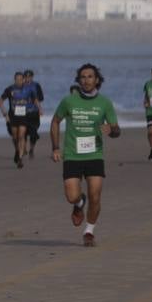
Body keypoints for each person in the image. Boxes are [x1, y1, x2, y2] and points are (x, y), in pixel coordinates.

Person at [50, 63, 121, 246]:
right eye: (83, 77)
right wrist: (55, 148)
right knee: (72, 196)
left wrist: (111, 130)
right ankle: (79, 203)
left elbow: (116, 130)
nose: (86, 80)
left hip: (94, 155)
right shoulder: (69, 101)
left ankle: (89, 231)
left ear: (97, 80)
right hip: (72, 155)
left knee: (95, 195)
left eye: (90, 76)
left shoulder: (105, 103)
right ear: (78, 80)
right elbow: (55, 121)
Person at [0, 71, 37, 168]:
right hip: (13, 117)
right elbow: (0, 101)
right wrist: (4, 112)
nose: (19, 81)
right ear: (14, 79)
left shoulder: (29, 89)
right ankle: (17, 150)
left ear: (24, 79)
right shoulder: (10, 89)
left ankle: (20, 159)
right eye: (17, 79)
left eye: (21, 79)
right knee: (15, 137)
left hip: (24, 117)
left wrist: (36, 110)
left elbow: (35, 100)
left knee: (21, 136)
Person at [22, 70, 45, 157]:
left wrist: (38, 106)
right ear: (24, 77)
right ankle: (24, 148)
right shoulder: (20, 86)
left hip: (34, 113)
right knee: (23, 132)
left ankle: (32, 149)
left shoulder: (36, 85)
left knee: (33, 133)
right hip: (22, 113)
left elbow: (41, 98)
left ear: (32, 77)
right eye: (26, 76)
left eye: (29, 76)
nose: (28, 78)